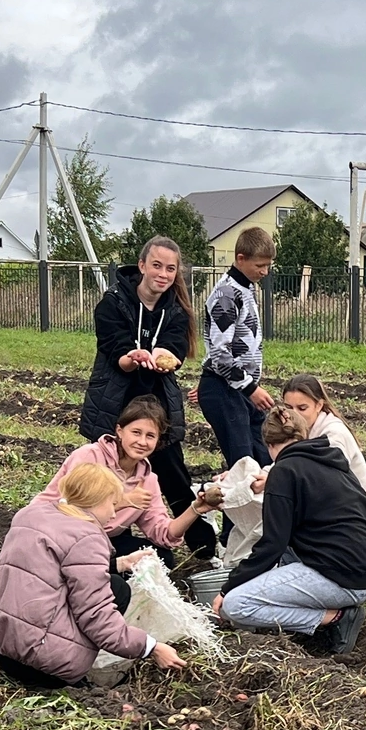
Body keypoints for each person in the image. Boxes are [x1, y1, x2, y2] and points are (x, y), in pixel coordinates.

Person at [0, 461, 187, 689]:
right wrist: (150, 647)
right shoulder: (86, 536)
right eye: (112, 504)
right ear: (96, 500)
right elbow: (96, 616)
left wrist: (119, 563)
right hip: (40, 664)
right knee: (117, 589)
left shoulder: (30, 515)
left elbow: (53, 569)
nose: (113, 513)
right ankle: (65, 666)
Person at [214, 408, 366, 656]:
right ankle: (329, 607)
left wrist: (227, 588)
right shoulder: (331, 460)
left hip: (346, 578)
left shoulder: (283, 473)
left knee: (237, 605)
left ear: (269, 444)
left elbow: (272, 545)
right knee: (286, 557)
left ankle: (336, 617)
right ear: (303, 435)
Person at [76, 234, 209, 553]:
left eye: (171, 269)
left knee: (173, 475)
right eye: (157, 266)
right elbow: (114, 350)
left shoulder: (175, 310)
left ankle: (201, 545)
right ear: (142, 265)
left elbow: (174, 348)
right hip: (115, 406)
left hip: (156, 407)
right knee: (103, 476)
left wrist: (167, 355)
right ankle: (90, 541)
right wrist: (131, 357)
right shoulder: (113, 302)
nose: (163, 274)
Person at [40, 398, 220, 596]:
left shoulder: (147, 479)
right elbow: (69, 508)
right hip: (56, 537)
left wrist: (195, 508)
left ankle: (108, 586)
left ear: (158, 441)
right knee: (113, 578)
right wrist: (123, 501)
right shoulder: (90, 457)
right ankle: (87, 586)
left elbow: (162, 533)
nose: (142, 442)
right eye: (136, 432)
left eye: (150, 436)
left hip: (102, 542)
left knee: (161, 558)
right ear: (119, 431)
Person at [198, 226, 276, 468]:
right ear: (240, 259)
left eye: (268, 266)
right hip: (226, 390)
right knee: (244, 467)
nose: (264, 271)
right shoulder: (226, 295)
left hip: (239, 389)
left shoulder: (245, 288)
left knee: (264, 461)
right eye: (259, 265)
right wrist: (251, 388)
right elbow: (220, 355)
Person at [273, 373, 366, 514]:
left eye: (302, 408)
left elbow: (324, 479)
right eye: (288, 407)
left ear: (319, 405)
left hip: (355, 514)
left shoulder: (334, 435)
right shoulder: (298, 429)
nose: (294, 415)